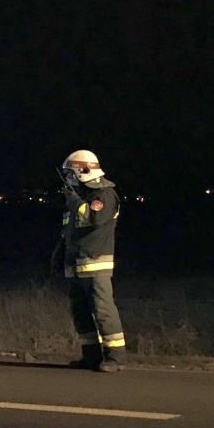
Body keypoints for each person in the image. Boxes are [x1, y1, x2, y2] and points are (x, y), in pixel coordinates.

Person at [54, 150, 124, 371]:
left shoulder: (104, 195)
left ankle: (115, 358)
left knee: (103, 311)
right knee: (80, 312)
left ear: (82, 171)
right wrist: (59, 255)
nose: (68, 179)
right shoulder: (79, 198)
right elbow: (69, 232)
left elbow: (94, 219)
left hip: (95, 265)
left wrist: (75, 201)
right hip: (75, 266)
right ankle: (91, 356)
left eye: (70, 174)